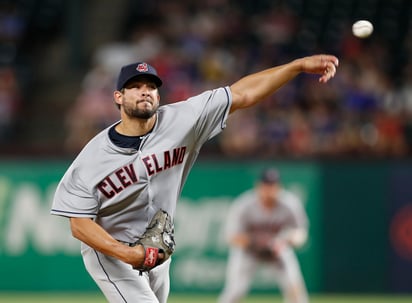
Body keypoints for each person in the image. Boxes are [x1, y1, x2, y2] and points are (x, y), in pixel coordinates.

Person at [50, 54, 338, 303]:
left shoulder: (183, 120)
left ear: (159, 96)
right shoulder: (91, 159)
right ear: (118, 97)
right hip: (110, 251)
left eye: (150, 86)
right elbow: (79, 224)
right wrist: (125, 254)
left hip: (157, 246)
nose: (144, 91)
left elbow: (243, 94)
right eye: (134, 87)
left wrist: (297, 66)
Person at [218, 168, 309, 303]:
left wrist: (286, 241)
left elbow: (301, 233)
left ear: (279, 187)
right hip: (249, 251)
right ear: (258, 186)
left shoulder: (289, 204)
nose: (269, 190)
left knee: (297, 293)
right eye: (266, 185)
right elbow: (232, 236)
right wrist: (256, 242)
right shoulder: (244, 205)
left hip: (277, 249)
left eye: (272, 185)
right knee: (234, 291)